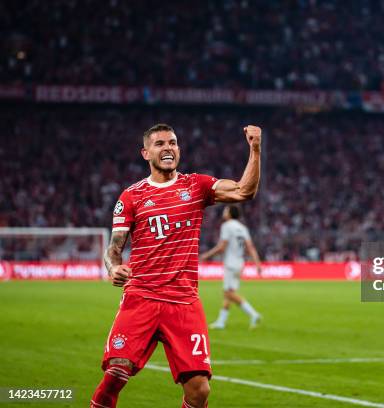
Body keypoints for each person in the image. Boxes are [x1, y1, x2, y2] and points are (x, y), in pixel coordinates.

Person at [90, 123, 262, 408]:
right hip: (141, 297)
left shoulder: (196, 186)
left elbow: (244, 191)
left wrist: (255, 149)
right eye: (159, 144)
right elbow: (114, 247)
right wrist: (113, 267)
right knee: (116, 372)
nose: (168, 147)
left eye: (172, 142)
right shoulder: (131, 196)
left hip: (183, 303)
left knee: (200, 391)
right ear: (146, 153)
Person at [200, 205, 262, 329]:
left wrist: (207, 255)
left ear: (230, 213)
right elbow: (250, 247)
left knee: (228, 293)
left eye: (226, 210)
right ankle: (221, 322)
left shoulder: (227, 226)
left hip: (230, 263)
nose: (224, 212)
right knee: (229, 292)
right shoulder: (242, 228)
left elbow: (222, 247)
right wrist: (257, 263)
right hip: (239, 263)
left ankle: (253, 314)